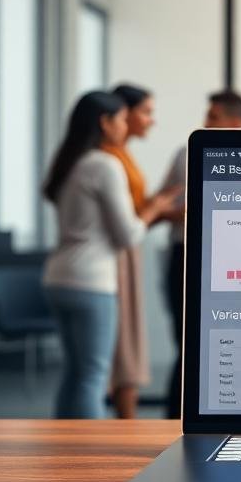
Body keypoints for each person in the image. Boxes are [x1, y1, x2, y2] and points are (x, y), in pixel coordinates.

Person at [42, 92, 178, 419]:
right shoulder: (106, 165)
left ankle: (64, 446)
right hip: (93, 282)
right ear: (105, 123)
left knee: (74, 373)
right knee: (93, 375)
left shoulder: (71, 162)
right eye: (120, 118)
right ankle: (91, 452)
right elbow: (128, 234)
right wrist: (155, 208)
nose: (124, 125)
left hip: (58, 277)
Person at [160, 90, 241, 419]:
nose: (205, 122)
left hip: (236, 263)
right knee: (189, 349)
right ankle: (176, 423)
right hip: (187, 257)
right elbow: (161, 207)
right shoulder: (188, 154)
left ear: (236, 123)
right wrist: (197, 209)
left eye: (213, 117)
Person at [98, 83, 158, 420]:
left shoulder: (122, 155)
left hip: (128, 250)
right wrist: (159, 208)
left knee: (128, 343)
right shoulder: (108, 159)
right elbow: (127, 220)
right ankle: (125, 425)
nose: (151, 121)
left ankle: (127, 422)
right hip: (118, 253)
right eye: (145, 112)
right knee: (123, 345)